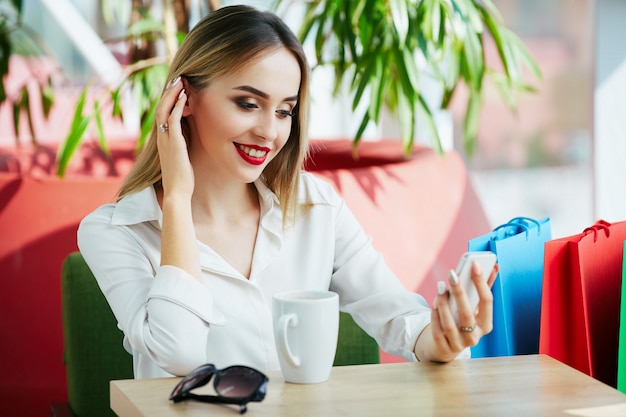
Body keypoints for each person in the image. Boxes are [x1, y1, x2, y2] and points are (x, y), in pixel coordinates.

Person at [78, 4, 498, 379]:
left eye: (284, 111)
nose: (270, 131)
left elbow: (399, 318)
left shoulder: (317, 208)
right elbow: (181, 353)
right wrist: (176, 200)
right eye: (247, 103)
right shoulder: (115, 231)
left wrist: (442, 337)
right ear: (183, 99)